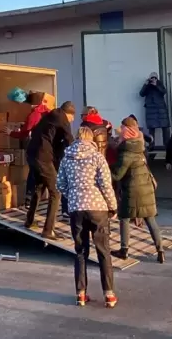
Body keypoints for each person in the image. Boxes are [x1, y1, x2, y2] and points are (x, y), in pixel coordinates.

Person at [57, 126, 118, 308]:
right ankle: (109, 294)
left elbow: (60, 183)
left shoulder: (66, 158)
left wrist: (73, 195)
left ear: (76, 138)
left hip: (76, 208)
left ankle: (81, 294)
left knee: (81, 252)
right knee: (103, 252)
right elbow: (106, 184)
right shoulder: (97, 156)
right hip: (97, 208)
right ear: (91, 139)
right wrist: (112, 206)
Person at [110, 117, 165, 264]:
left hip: (132, 190)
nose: (120, 132)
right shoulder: (140, 147)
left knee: (125, 219)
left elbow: (117, 175)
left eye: (121, 130)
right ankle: (160, 250)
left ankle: (124, 250)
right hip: (146, 187)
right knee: (150, 219)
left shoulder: (126, 150)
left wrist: (105, 169)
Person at [25, 101, 76, 240]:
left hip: (32, 154)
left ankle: (29, 220)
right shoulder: (63, 119)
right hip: (43, 157)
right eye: (72, 118)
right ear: (69, 114)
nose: (71, 121)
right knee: (56, 192)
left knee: (39, 186)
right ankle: (48, 230)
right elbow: (69, 140)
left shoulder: (49, 116)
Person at [9, 91, 51, 207]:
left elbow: (26, 132)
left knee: (33, 173)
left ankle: (29, 199)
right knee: (43, 173)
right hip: (47, 149)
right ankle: (41, 198)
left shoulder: (34, 114)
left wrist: (11, 133)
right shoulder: (48, 113)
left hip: (36, 148)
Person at [139, 72, 170, 148]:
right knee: (151, 128)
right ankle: (151, 145)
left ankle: (167, 145)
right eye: (152, 78)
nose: (153, 79)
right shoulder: (147, 85)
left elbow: (163, 92)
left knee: (165, 127)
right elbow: (141, 94)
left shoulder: (159, 84)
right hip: (151, 109)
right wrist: (145, 85)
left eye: (155, 78)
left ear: (157, 78)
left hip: (161, 109)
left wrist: (156, 85)